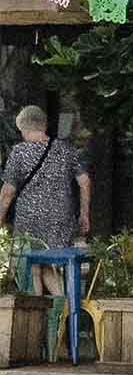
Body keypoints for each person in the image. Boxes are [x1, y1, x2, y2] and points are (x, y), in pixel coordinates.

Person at [0, 105, 92, 295]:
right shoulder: (65, 150)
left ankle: (38, 309)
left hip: (29, 220)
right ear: (43, 125)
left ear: (23, 128)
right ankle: (64, 306)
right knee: (49, 266)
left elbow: (8, 192)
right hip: (61, 219)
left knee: (32, 266)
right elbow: (85, 182)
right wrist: (84, 215)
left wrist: (0, 218)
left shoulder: (19, 152)